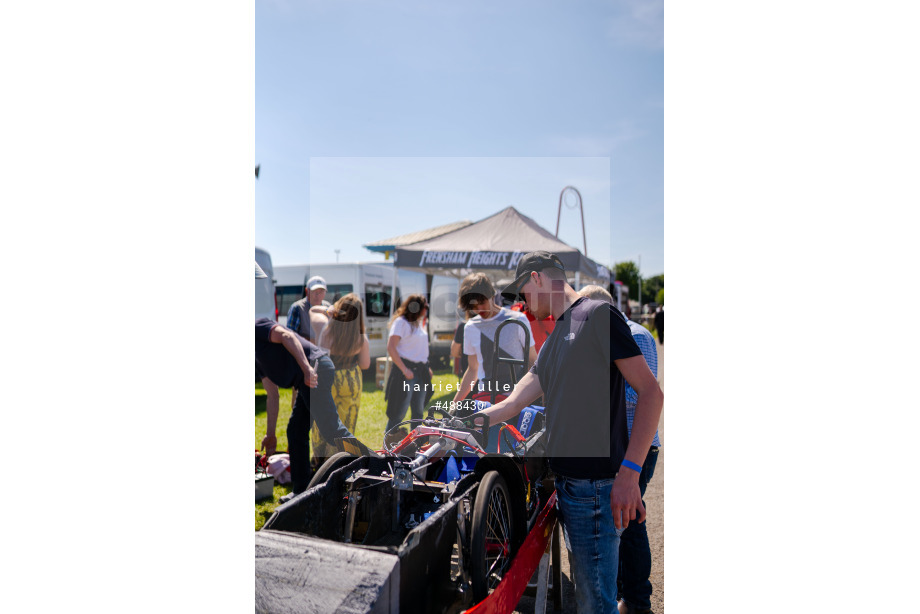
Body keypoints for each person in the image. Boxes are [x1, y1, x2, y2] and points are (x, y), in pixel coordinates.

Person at [480, 251, 663, 614]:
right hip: (572, 485)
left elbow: (651, 393)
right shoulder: (560, 329)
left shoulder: (598, 314)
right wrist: (471, 418)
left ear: (537, 279)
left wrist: (630, 473)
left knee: (595, 603)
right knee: (590, 597)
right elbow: (516, 399)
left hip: (594, 488)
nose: (524, 306)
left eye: (524, 294)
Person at [579, 285, 661, 614]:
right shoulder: (635, 332)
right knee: (627, 523)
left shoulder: (631, 336)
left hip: (632, 447)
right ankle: (632, 597)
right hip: (634, 445)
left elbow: (634, 396)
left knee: (627, 527)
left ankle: (636, 600)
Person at [255, 317, 355, 500]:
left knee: (331, 429)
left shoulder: (257, 327)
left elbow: (287, 336)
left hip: (315, 368)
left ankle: (372, 462)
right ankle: (301, 491)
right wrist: (270, 434)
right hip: (306, 378)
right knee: (295, 431)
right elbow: (272, 395)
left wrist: (307, 368)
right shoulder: (257, 358)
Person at [450, 272, 536, 405]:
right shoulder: (470, 327)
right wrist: (454, 404)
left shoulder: (518, 320)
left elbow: (532, 361)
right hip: (485, 399)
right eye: (473, 306)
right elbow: (473, 369)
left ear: (492, 295)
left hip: (516, 399)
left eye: (482, 302)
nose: (479, 309)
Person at [307, 293, 371, 464]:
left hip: (328, 378)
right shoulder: (361, 337)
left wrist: (330, 310)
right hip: (350, 381)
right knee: (346, 423)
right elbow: (365, 364)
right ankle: (341, 460)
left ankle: (320, 461)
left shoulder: (324, 328)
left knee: (324, 421)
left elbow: (312, 309)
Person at [384, 294, 433, 433]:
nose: (426, 310)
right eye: (425, 307)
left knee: (418, 411)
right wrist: (405, 370)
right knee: (399, 411)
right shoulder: (401, 322)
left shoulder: (420, 323)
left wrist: (427, 367)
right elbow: (391, 347)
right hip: (406, 372)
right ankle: (388, 442)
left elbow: (420, 349)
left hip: (420, 371)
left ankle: (415, 443)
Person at [286, 276, 328, 343]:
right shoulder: (297, 308)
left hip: (325, 351)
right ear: (307, 291)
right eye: (314, 291)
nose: (318, 295)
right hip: (304, 352)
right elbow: (290, 336)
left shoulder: (328, 307)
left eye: (321, 291)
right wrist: (314, 342)